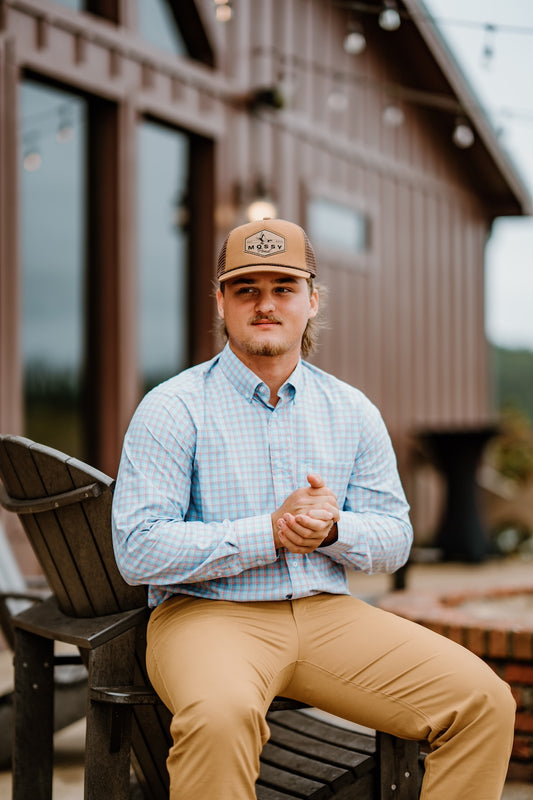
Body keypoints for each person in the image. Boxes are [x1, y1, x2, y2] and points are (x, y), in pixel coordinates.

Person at [112, 218, 515, 800]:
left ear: (312, 300)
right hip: (207, 615)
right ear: (221, 301)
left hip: (329, 614)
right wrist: (269, 533)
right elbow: (138, 549)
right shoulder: (173, 407)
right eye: (247, 289)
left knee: (484, 702)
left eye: (284, 288)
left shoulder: (351, 409)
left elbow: (395, 536)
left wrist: (333, 531)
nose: (265, 304)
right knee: (220, 718)